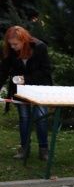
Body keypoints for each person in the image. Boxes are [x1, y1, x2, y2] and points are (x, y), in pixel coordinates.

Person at [0, 26, 53, 160]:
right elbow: (3, 71)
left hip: (40, 88)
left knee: (41, 117)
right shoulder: (10, 50)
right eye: (10, 44)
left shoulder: (40, 47)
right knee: (24, 118)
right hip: (20, 90)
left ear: (24, 40)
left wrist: (26, 79)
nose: (12, 47)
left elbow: (46, 71)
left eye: (15, 44)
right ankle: (24, 149)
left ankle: (44, 150)